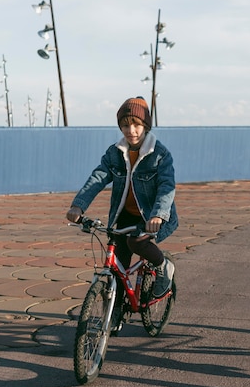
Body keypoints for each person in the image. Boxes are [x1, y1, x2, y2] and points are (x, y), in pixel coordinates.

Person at [66, 96, 178, 330]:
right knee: (118, 265)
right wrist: (79, 205)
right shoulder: (114, 152)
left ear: (146, 126)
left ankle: (163, 266)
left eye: (136, 124)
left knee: (136, 242)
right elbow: (98, 177)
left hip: (152, 217)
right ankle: (115, 312)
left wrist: (158, 215)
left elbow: (167, 186)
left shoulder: (160, 154)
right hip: (123, 216)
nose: (131, 130)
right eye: (125, 125)